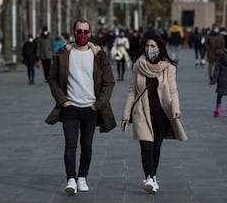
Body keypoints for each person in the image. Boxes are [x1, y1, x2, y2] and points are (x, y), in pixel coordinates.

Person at [47, 19, 116, 195]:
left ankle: (82, 177)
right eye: (79, 31)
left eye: (86, 31)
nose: (82, 35)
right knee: (70, 145)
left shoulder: (99, 55)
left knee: (87, 145)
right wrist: (63, 101)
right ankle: (71, 179)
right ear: (74, 33)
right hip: (70, 108)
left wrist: (98, 104)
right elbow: (53, 79)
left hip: (91, 109)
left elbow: (109, 82)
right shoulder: (64, 54)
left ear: (90, 33)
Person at [121, 33, 188, 194]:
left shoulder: (168, 67)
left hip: (161, 113)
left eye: (153, 46)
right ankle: (149, 178)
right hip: (141, 112)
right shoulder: (139, 65)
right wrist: (125, 114)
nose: (149, 49)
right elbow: (132, 90)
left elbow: (173, 91)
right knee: (146, 147)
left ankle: (153, 176)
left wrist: (176, 108)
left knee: (156, 148)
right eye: (147, 46)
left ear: (159, 48)